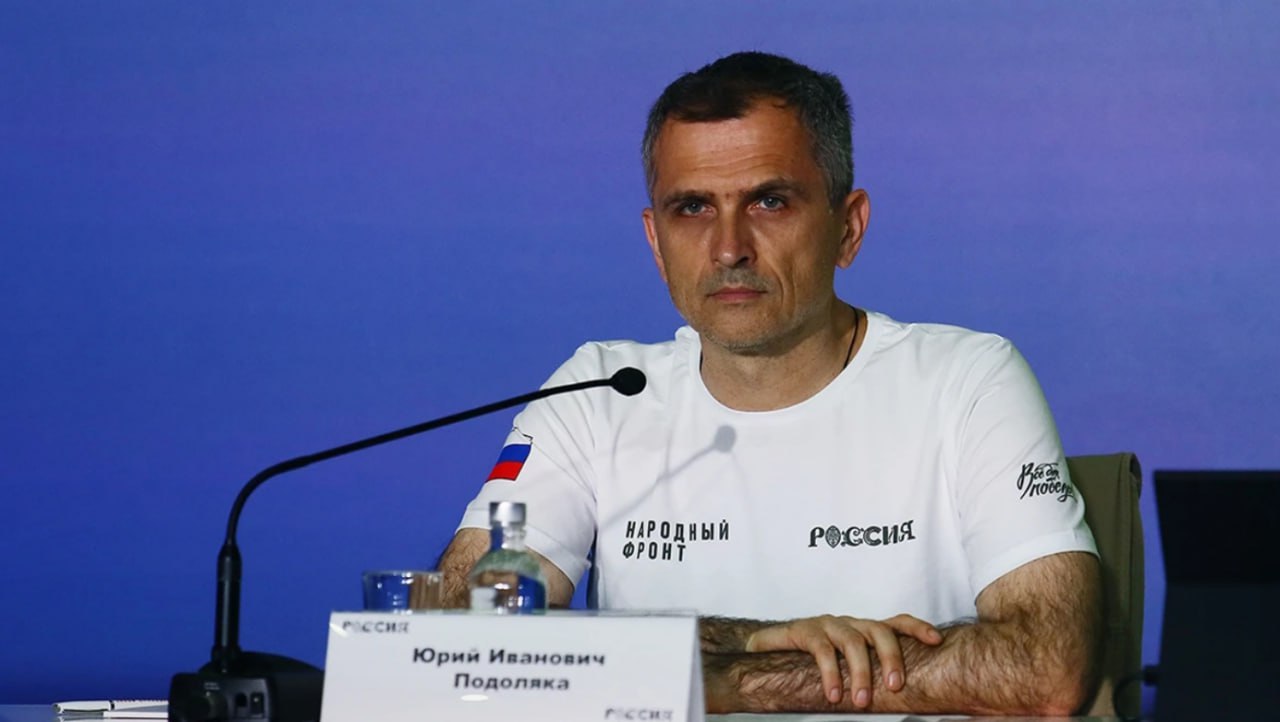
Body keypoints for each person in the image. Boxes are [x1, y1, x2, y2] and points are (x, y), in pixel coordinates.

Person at [438, 51, 1100, 716]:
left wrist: (730, 681)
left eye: (769, 201)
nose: (729, 247)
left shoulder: (968, 379)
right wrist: (740, 643)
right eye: (692, 207)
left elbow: (1046, 668)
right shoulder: (596, 393)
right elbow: (460, 640)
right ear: (655, 243)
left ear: (848, 228)